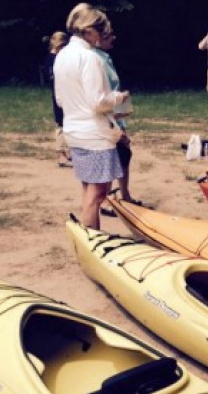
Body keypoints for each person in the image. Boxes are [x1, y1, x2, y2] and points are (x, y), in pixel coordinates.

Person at [54, 5, 129, 230]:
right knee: (98, 194)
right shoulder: (90, 58)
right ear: (88, 30)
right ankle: (91, 242)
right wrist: (118, 97)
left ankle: (92, 238)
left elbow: (59, 99)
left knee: (88, 190)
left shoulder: (62, 55)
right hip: (94, 135)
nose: (101, 36)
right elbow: (99, 102)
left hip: (73, 131)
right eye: (100, 31)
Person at [94, 27, 140, 215]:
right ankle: (104, 201)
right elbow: (101, 93)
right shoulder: (95, 59)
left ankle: (125, 194)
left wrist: (121, 109)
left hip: (115, 113)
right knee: (112, 156)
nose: (114, 37)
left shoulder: (105, 57)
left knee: (124, 154)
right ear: (99, 39)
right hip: (106, 115)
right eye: (109, 36)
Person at [43, 31, 71, 167]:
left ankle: (67, 152)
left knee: (64, 123)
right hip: (61, 95)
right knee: (62, 124)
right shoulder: (56, 60)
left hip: (60, 94)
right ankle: (61, 154)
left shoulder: (50, 59)